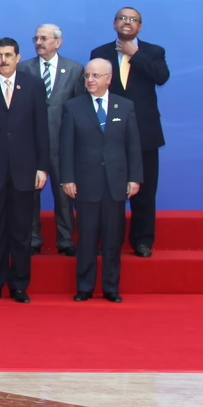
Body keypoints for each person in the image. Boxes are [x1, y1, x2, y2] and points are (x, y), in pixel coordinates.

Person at [0, 38, 50, 303]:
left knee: (21, 231)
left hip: (25, 170)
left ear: (18, 58)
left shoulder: (34, 85)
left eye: (8, 55)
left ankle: (19, 285)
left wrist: (42, 167)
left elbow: (41, 129)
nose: (3, 60)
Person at [59, 58, 143, 302]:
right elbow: (66, 147)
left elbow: (133, 146)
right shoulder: (73, 107)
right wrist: (67, 178)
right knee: (86, 238)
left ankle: (111, 288)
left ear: (109, 78)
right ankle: (85, 287)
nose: (90, 80)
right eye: (87, 76)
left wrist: (134, 178)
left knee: (112, 239)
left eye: (96, 75)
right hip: (86, 183)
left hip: (115, 184)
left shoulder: (124, 106)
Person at [89, 8, 169, 257]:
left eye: (133, 20)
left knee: (145, 189)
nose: (127, 22)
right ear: (114, 23)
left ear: (140, 27)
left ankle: (143, 241)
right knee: (109, 190)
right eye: (123, 18)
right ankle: (109, 240)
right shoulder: (100, 53)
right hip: (109, 132)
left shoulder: (153, 51)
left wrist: (136, 54)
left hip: (145, 133)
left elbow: (162, 77)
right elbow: (93, 89)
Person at [18, 24, 83, 259]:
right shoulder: (23, 69)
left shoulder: (75, 70)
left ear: (58, 42)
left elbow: (80, 109)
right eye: (36, 38)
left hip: (62, 144)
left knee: (64, 194)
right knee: (30, 195)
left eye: (44, 38)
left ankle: (65, 239)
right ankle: (33, 239)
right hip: (30, 144)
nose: (39, 42)